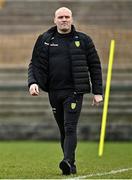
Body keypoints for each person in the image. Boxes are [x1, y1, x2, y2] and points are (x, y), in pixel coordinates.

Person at [28, 7, 103, 175]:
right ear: (54, 20)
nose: (64, 19)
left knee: (70, 127)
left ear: (71, 19)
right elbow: (34, 63)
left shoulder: (83, 40)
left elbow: (95, 66)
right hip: (54, 92)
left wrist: (98, 92)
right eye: (60, 17)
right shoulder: (45, 39)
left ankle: (66, 161)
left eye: (67, 17)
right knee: (63, 129)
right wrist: (33, 82)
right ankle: (71, 165)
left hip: (75, 91)